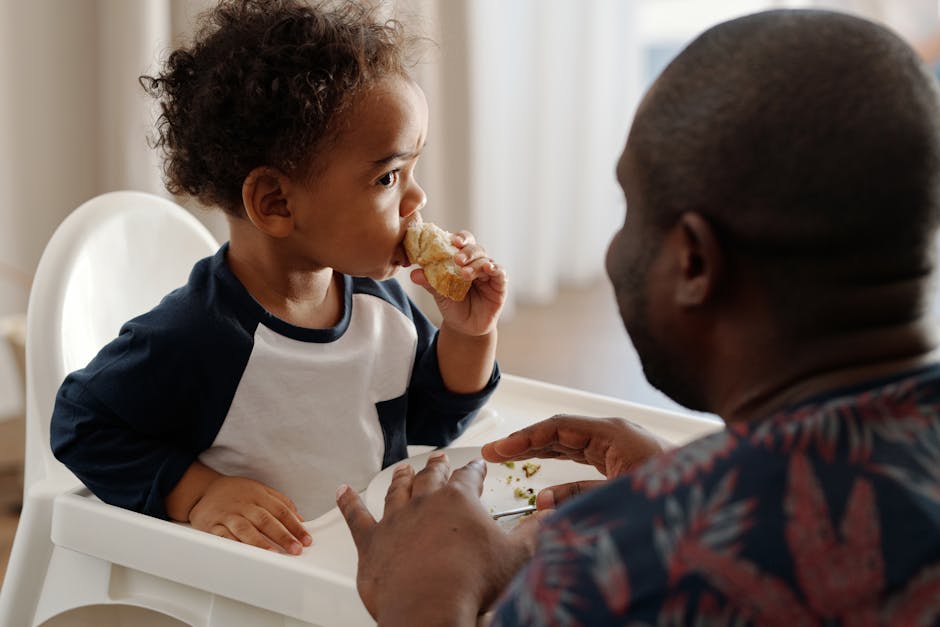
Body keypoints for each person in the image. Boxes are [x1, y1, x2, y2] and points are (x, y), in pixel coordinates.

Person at [336, 8, 940, 624]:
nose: (615, 249)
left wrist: (427, 600)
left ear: (694, 262)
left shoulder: (613, 577)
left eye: (629, 209)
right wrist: (690, 479)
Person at [50, 0, 505, 556]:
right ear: (276, 202)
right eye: (388, 177)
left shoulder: (380, 303)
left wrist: (469, 334)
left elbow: (431, 422)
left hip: (374, 567)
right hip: (269, 584)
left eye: (413, 169)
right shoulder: (199, 337)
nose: (419, 197)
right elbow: (81, 424)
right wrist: (200, 493)